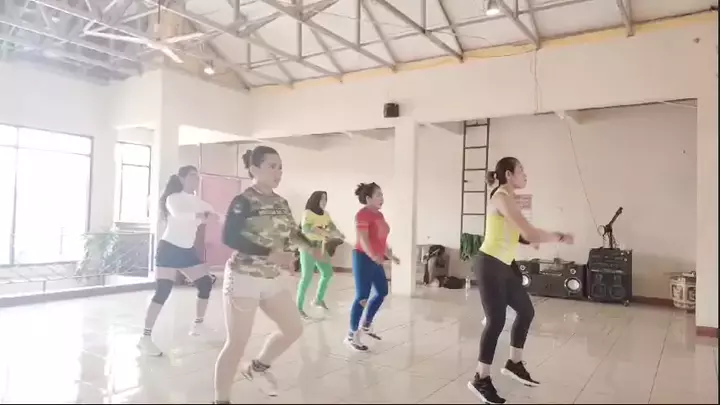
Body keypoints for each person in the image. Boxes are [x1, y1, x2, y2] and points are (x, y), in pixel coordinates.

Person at [466, 157, 574, 404]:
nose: (525, 175)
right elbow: (528, 231)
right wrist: (557, 237)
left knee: (526, 311)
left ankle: (514, 363)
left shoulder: (510, 199)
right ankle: (481, 377)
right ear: (508, 174)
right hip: (489, 263)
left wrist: (531, 239)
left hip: (505, 265)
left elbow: (519, 233)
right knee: (496, 320)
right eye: (521, 170)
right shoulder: (501, 197)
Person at [213, 146, 315, 404]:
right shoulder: (243, 201)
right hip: (243, 276)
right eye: (272, 166)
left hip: (270, 278)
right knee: (237, 343)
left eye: (280, 167)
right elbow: (229, 237)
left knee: (293, 328)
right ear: (254, 169)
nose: (278, 172)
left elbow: (292, 232)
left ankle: (257, 367)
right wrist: (270, 254)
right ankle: (220, 399)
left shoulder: (281, 202)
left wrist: (309, 247)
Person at [138, 165, 218, 357]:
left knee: (205, 283)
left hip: (187, 251)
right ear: (181, 178)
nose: (196, 179)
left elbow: (214, 213)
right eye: (192, 176)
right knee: (163, 290)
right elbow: (179, 215)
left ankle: (198, 325)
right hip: (169, 249)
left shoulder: (197, 201)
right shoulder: (173, 198)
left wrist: (212, 215)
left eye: (197, 176)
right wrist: (201, 215)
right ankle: (145, 338)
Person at [345, 182, 399, 352]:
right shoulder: (362, 215)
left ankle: (366, 325)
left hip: (376, 259)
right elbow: (363, 238)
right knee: (362, 296)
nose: (382, 198)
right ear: (368, 198)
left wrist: (390, 255)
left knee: (382, 291)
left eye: (382, 195)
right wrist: (372, 255)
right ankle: (352, 334)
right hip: (363, 257)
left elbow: (381, 239)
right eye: (378, 195)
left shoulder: (379, 215)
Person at [296, 191, 345, 318]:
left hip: (320, 246)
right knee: (306, 277)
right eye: (322, 199)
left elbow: (332, 227)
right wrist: (323, 232)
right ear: (315, 200)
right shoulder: (307, 213)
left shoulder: (326, 214)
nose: (324, 202)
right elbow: (306, 229)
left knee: (327, 273)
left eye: (326, 199)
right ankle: (298, 307)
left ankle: (318, 299)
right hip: (308, 247)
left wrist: (339, 234)